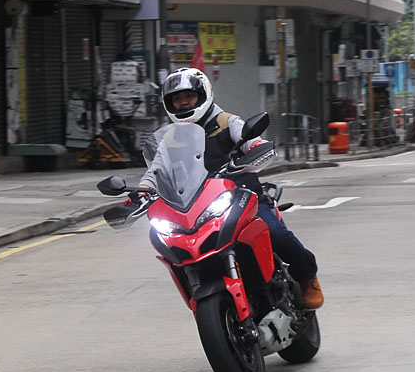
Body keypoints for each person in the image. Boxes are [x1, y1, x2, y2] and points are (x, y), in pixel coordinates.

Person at [138, 68, 323, 309]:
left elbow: (251, 141)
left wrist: (257, 147)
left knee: (275, 232)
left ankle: (307, 276)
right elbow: (156, 170)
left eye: (189, 96)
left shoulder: (227, 122)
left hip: (243, 197)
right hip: (197, 207)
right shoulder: (170, 139)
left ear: (203, 95)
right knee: (168, 241)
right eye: (177, 98)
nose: (183, 103)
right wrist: (142, 189)